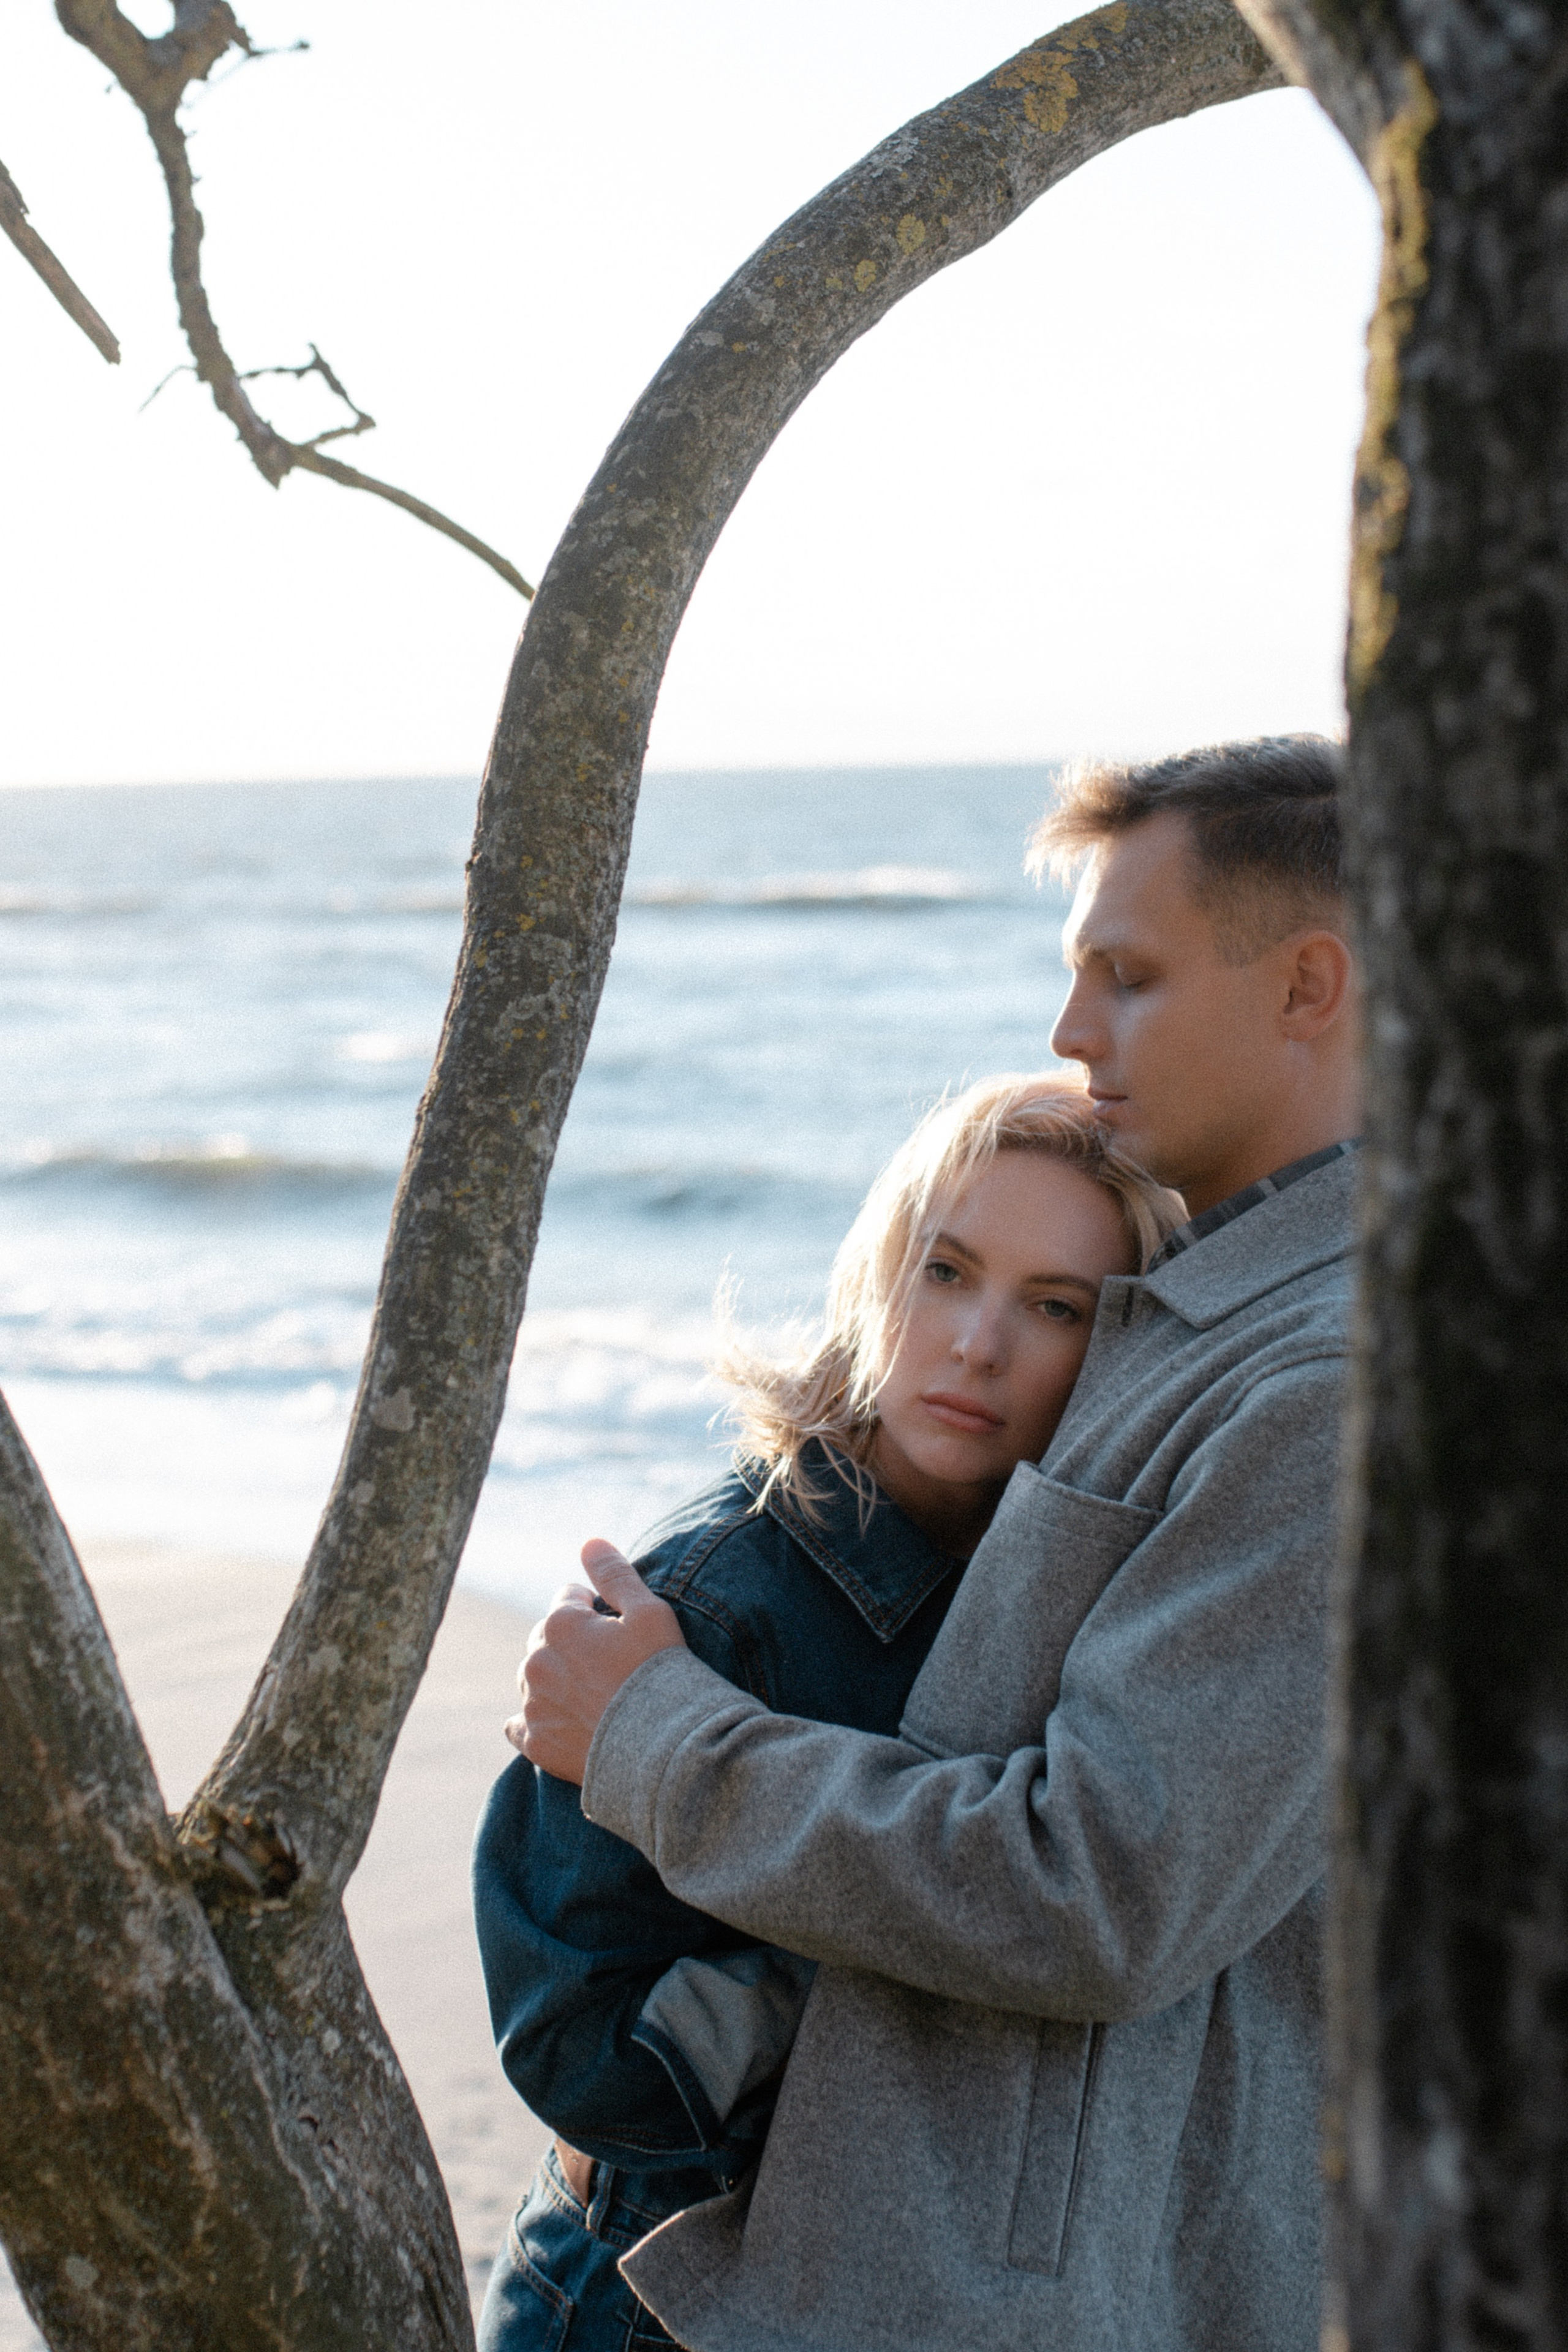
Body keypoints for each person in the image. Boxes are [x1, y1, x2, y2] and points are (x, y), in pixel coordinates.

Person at [515, 734, 1360, 2352]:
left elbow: (1099, 1888)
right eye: (951, 1275)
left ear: (1305, 985)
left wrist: (659, 1739)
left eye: (1126, 975)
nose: (1070, 1031)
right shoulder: (1219, 1320)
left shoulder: (1317, 1379)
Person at [473, 1074, 1180, 2351]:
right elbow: (575, 2043)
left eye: (1054, 1306)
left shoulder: (1065, 1592)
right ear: (875, 1276)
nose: (977, 1344)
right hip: (644, 2295)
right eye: (945, 1272)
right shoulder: (707, 1599)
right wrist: (890, 2001)